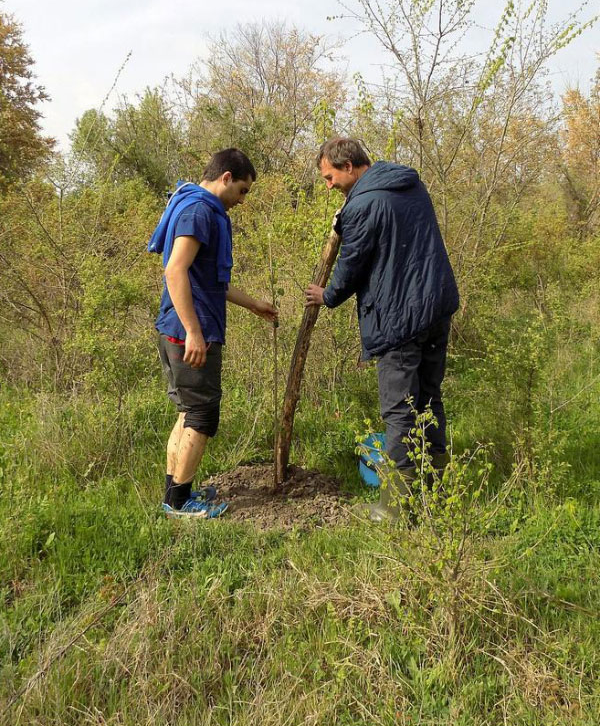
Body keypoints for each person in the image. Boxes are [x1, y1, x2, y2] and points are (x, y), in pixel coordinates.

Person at [305, 137, 459, 521]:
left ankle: (397, 508)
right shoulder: (409, 184)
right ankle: (436, 493)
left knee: (398, 411)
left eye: (330, 177)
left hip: (399, 318)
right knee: (428, 400)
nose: (329, 186)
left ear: (350, 166)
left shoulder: (363, 203)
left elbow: (352, 264)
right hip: (436, 307)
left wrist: (327, 295)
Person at [148, 148, 278, 518]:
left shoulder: (196, 205)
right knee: (202, 415)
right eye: (242, 190)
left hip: (182, 328)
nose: (242, 200)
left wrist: (254, 304)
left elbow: (211, 281)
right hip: (188, 331)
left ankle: (175, 493)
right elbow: (175, 271)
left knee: (190, 412)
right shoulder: (200, 211)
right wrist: (193, 331)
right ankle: (179, 504)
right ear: (225, 177)